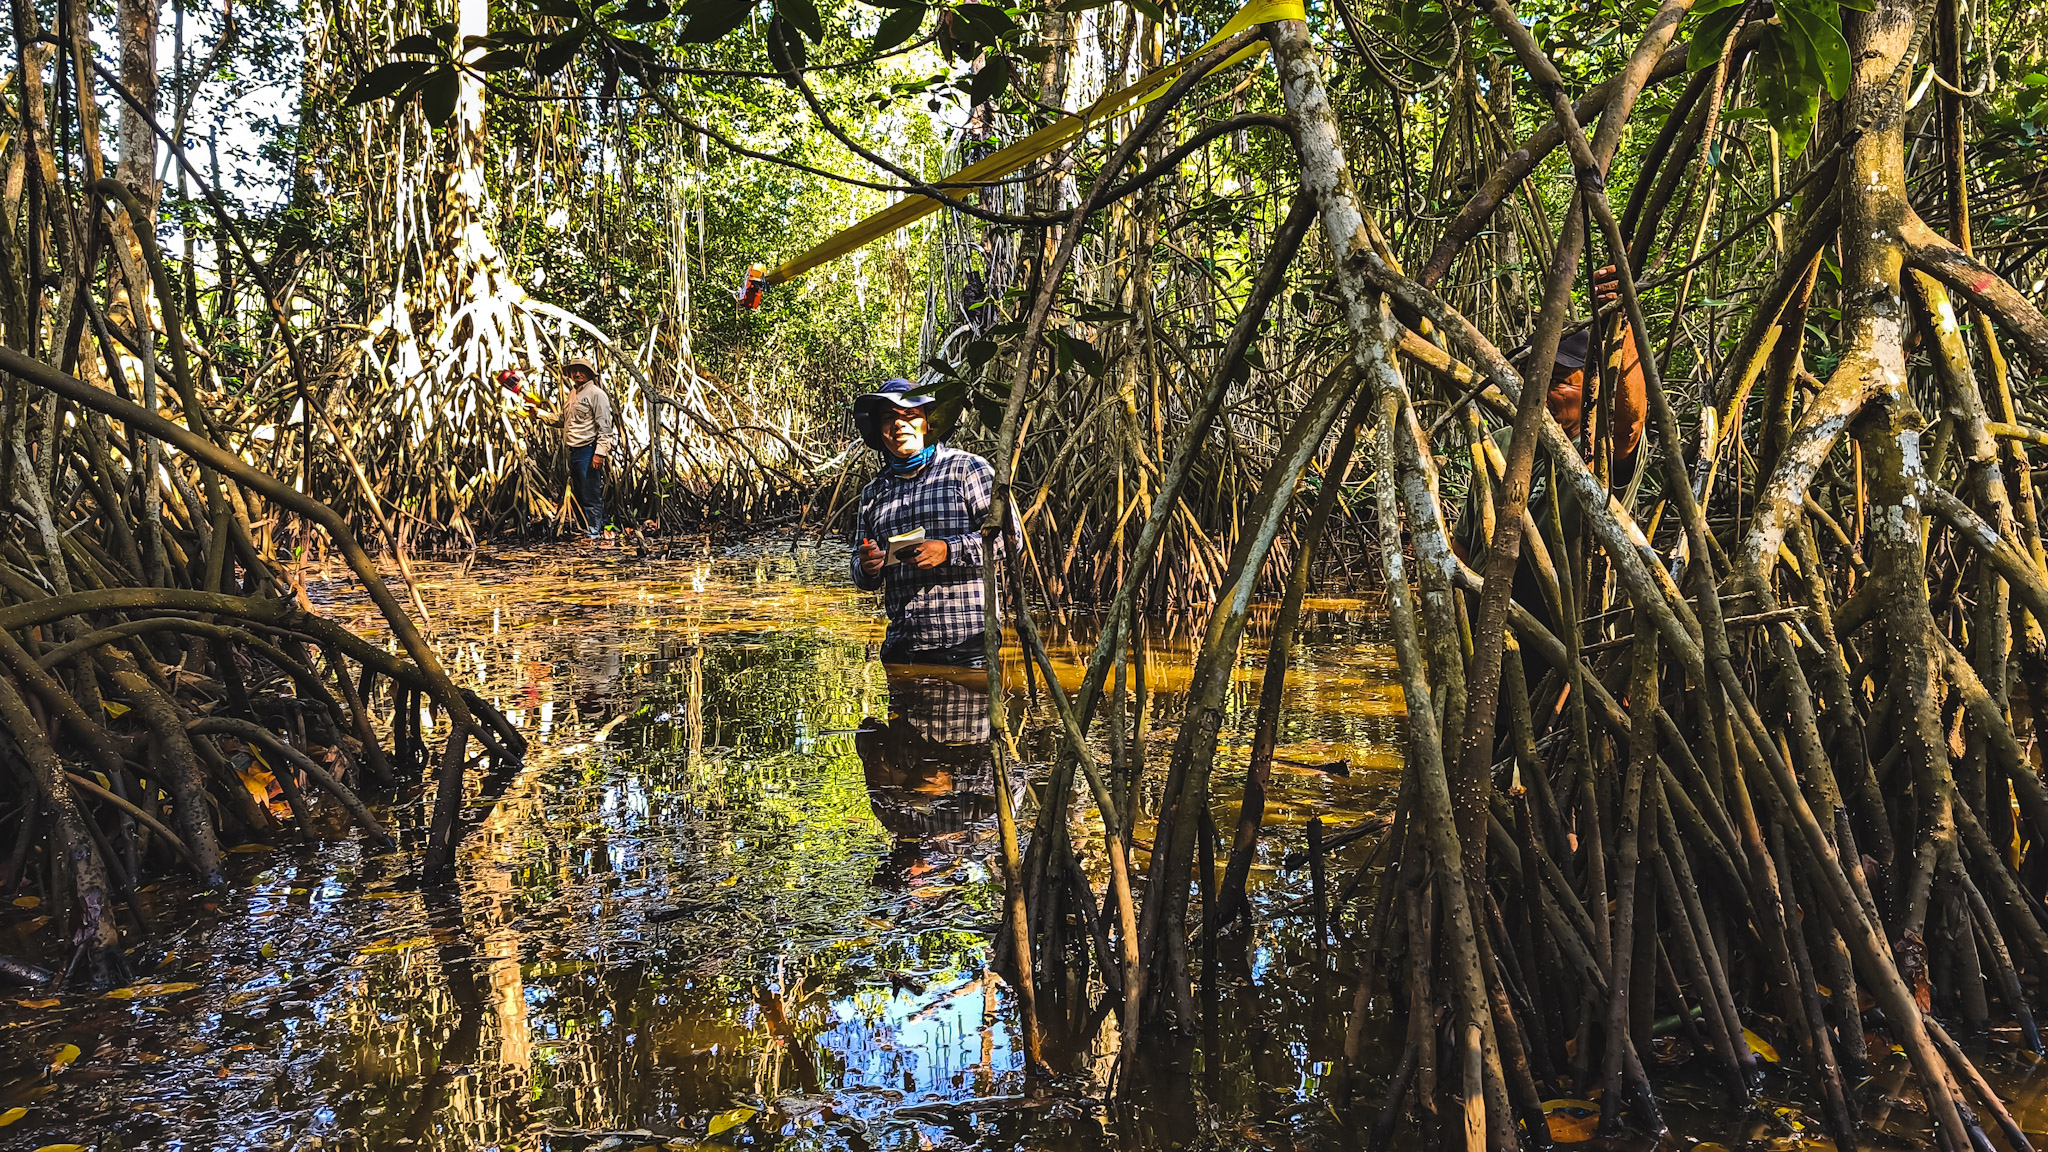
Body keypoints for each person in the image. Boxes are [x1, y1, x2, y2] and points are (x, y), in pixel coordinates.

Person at [849, 378, 998, 668]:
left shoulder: (967, 469)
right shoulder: (872, 494)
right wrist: (866, 566)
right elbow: (860, 569)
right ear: (880, 431)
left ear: (929, 423)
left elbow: (1009, 539)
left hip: (967, 649)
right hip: (901, 652)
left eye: (910, 416)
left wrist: (948, 550)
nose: (898, 425)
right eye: (889, 418)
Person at [558, 356, 615, 543]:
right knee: (582, 491)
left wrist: (600, 453)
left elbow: (605, 428)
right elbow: (563, 420)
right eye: (574, 370)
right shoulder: (573, 394)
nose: (577, 373)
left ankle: (594, 532)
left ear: (590, 373)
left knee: (590, 492)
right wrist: (538, 414)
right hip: (574, 451)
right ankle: (598, 527)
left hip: (588, 450)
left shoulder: (597, 394)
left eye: (581, 370)